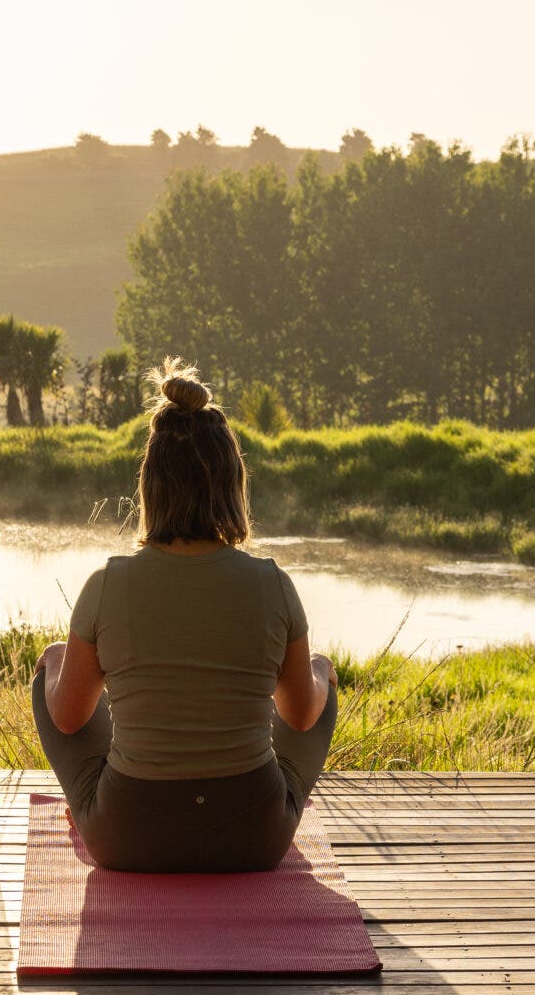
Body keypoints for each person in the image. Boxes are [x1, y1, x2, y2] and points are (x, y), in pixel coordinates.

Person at [31, 368, 338, 872]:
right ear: (232, 484)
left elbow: (69, 718)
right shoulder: (273, 584)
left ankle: (88, 813)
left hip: (128, 837)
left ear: (150, 485)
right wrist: (320, 674)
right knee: (318, 689)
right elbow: (300, 716)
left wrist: (58, 664)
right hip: (253, 837)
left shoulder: (106, 584)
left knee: (53, 673)